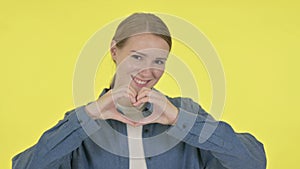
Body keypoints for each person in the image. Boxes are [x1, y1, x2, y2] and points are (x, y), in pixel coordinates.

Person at [12, 13, 266, 169]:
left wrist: (178, 119)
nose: (148, 70)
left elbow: (253, 163)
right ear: (114, 51)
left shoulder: (185, 112)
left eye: (159, 61)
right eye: (137, 57)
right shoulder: (83, 121)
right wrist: (87, 116)